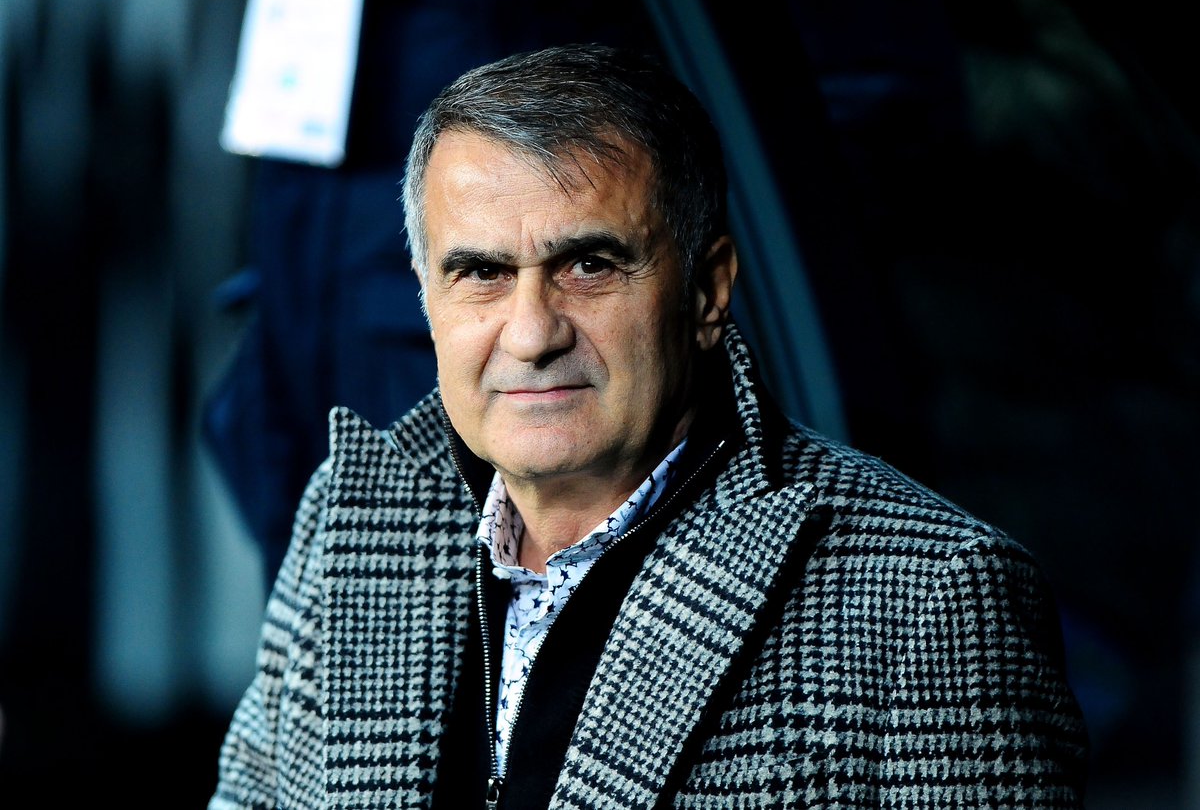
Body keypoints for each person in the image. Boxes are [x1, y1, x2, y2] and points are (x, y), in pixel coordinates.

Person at [209, 43, 1088, 809]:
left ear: (707, 292)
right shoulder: (351, 522)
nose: (531, 333)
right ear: (426, 297)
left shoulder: (933, 597)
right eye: (480, 272)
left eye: (589, 264)